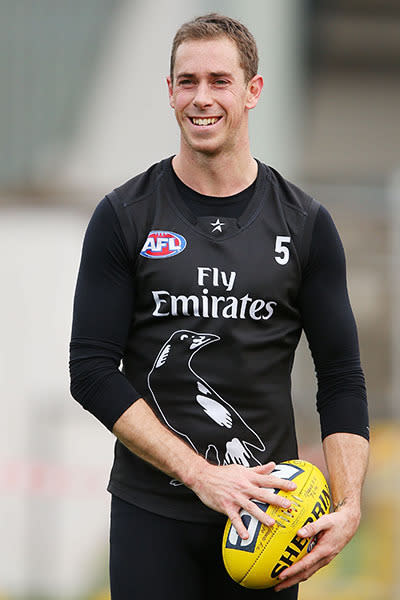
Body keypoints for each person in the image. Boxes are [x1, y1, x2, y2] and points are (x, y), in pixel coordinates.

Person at [69, 13, 369, 600]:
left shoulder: (305, 224)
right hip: (151, 512)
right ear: (170, 91)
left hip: (269, 520)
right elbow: (92, 371)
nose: (201, 99)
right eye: (187, 82)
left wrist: (349, 504)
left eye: (219, 81)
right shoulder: (124, 215)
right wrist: (201, 475)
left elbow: (341, 380)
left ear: (253, 90)